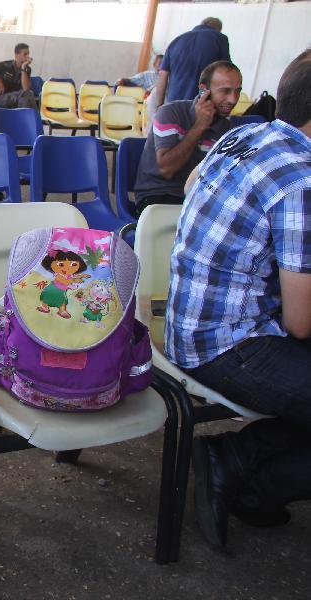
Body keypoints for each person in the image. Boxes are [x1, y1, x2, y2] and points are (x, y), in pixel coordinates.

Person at [166, 50, 311, 549]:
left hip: (189, 324)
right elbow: (302, 322)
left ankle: (236, 457)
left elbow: (190, 185)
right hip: (227, 344)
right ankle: (256, 488)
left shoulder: (247, 134)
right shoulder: (303, 179)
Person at [132, 60, 241, 215]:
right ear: (204, 90)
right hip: (158, 196)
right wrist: (199, 127)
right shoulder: (170, 113)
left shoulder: (227, 129)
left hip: (197, 198)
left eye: (237, 91)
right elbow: (167, 169)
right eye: (225, 91)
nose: (233, 99)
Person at [156, 17, 230, 105]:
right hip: (202, 102)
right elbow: (227, 72)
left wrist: (159, 106)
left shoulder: (176, 40)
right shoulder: (220, 39)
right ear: (218, 29)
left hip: (173, 104)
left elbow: (163, 75)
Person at [0, 43, 37, 110]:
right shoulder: (5, 65)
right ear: (16, 55)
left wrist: (23, 67)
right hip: (0, 98)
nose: (28, 57)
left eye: (28, 54)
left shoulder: (27, 69)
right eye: (25, 54)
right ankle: (36, 118)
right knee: (28, 94)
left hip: (18, 98)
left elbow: (26, 88)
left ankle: (26, 119)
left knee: (24, 100)